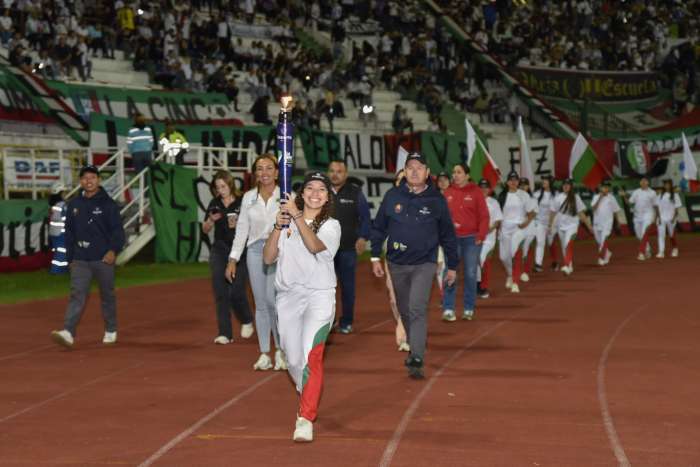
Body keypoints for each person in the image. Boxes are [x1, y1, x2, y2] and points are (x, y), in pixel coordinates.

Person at [262, 171, 341, 443]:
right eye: (310, 188)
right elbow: (268, 257)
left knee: (311, 356)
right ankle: (307, 387)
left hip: (319, 296)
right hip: (288, 297)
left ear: (327, 197)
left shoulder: (331, 225)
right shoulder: (285, 222)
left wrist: (296, 217)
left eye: (321, 189)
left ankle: (305, 417)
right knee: (293, 359)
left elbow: (315, 246)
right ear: (302, 192)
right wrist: (276, 227)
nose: (315, 193)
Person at [370, 152, 458, 379]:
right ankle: (414, 340)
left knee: (417, 308)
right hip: (396, 263)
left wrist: (452, 265)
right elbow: (379, 227)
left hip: (425, 263)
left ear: (427, 173)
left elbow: (448, 234)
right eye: (410, 167)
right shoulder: (392, 196)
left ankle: (417, 355)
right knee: (405, 309)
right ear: (404, 172)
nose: (415, 171)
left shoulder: (437, 200)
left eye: (419, 167)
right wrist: (374, 257)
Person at [50, 165, 125, 348]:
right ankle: (68, 332)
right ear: (80, 182)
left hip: (103, 259)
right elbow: (68, 233)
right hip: (80, 258)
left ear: (98, 180)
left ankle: (110, 329)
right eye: (84, 178)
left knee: (107, 295)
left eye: (92, 177)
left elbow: (118, 232)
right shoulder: (74, 204)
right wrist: (70, 258)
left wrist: (113, 250)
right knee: (77, 294)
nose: (88, 181)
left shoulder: (108, 204)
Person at [225, 154, 286, 371]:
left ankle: (281, 350)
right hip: (254, 252)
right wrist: (233, 258)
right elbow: (242, 230)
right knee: (260, 304)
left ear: (277, 172)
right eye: (260, 169)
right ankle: (264, 353)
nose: (265, 173)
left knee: (273, 301)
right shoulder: (249, 197)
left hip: (279, 251)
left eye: (269, 168)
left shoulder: (287, 196)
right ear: (255, 174)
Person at [203, 171, 255, 345]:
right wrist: (211, 220)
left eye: (223, 186)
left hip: (240, 250)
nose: (221, 190)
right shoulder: (214, 204)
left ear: (230, 184)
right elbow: (205, 229)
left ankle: (246, 319)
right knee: (220, 291)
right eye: (217, 187)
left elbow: (254, 224)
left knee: (237, 290)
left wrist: (240, 221)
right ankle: (225, 333)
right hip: (220, 249)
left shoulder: (242, 202)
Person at [441, 163, 489, 321]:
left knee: (470, 273)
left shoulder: (476, 192)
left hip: (471, 239)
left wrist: (481, 235)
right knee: (450, 272)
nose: (455, 175)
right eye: (454, 172)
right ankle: (448, 308)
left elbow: (484, 216)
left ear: (467, 175)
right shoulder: (447, 193)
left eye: (459, 172)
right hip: (452, 240)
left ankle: (468, 308)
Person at [327, 160, 371, 334]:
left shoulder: (355, 193)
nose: (335, 174)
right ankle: (326, 322)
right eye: (332, 171)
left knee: (347, 287)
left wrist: (363, 237)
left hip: (347, 250)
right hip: (324, 251)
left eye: (339, 171)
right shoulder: (319, 191)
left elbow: (366, 218)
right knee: (324, 289)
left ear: (345, 174)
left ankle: (346, 321)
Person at [498, 172, 536, 293]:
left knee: (515, 254)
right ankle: (510, 274)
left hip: (518, 229)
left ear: (518, 182)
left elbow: (532, 212)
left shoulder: (524, 195)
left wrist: (526, 222)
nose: (513, 182)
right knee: (503, 257)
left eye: (516, 180)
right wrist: (498, 228)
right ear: (507, 182)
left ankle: (515, 282)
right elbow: (498, 214)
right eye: (511, 180)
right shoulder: (502, 196)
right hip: (504, 229)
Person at [549, 179, 591, 276]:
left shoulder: (576, 197)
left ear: (571, 186)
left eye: (568, 184)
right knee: (564, 246)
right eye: (564, 184)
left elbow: (581, 213)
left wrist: (589, 225)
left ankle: (567, 265)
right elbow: (552, 212)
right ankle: (569, 265)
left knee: (568, 244)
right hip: (560, 226)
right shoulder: (558, 197)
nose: (566, 186)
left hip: (572, 225)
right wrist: (550, 225)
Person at [476, 178, 502, 299]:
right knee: (475, 262)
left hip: (489, 239)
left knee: (481, 259)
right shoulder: (473, 201)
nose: (483, 189)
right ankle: (478, 285)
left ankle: (482, 286)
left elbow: (497, 221)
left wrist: (489, 229)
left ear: (489, 189)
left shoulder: (493, 202)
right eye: (481, 187)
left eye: (486, 187)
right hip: (475, 237)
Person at [623, 177, 658, 261]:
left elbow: (656, 206)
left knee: (643, 233)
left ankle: (641, 253)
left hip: (648, 215)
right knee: (639, 235)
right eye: (641, 181)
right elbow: (629, 202)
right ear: (640, 183)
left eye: (645, 181)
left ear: (648, 183)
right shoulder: (636, 192)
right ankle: (647, 249)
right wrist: (624, 196)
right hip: (637, 216)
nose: (643, 182)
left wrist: (655, 217)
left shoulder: (652, 193)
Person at [591, 181, 621, 266]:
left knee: (604, 241)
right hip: (597, 223)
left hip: (607, 223)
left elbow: (615, 211)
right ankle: (607, 253)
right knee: (599, 242)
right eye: (604, 187)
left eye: (607, 187)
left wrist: (617, 222)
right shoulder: (595, 197)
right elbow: (593, 208)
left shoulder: (612, 198)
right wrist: (599, 198)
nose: (606, 189)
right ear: (600, 188)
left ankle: (601, 258)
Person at [532, 176, 558, 271]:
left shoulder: (556, 195)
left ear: (550, 182)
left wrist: (552, 224)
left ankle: (555, 262)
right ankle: (538, 264)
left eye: (546, 180)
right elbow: (533, 208)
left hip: (553, 222)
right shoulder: (537, 194)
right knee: (540, 242)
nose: (543, 181)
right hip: (540, 222)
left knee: (551, 242)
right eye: (543, 180)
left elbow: (556, 210)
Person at [656, 179, 682, 258]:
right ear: (664, 186)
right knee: (661, 235)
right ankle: (661, 252)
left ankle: (675, 249)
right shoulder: (660, 195)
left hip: (671, 218)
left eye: (668, 184)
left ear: (671, 185)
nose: (667, 186)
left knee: (671, 235)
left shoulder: (675, 195)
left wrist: (674, 218)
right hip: (661, 218)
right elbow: (657, 207)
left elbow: (677, 208)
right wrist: (658, 218)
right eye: (665, 184)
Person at [518, 177, 537, 282]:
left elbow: (534, 213)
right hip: (519, 227)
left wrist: (527, 222)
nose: (523, 186)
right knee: (518, 249)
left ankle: (524, 271)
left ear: (528, 186)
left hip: (529, 227)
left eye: (525, 185)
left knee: (525, 249)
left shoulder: (532, 199)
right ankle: (519, 270)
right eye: (521, 184)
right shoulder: (515, 197)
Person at [48, 183, 69, 275]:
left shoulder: (54, 205)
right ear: (60, 193)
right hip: (61, 232)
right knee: (61, 253)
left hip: (54, 232)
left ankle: (62, 270)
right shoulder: (62, 205)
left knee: (60, 252)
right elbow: (66, 218)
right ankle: (55, 271)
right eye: (63, 192)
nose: (65, 194)